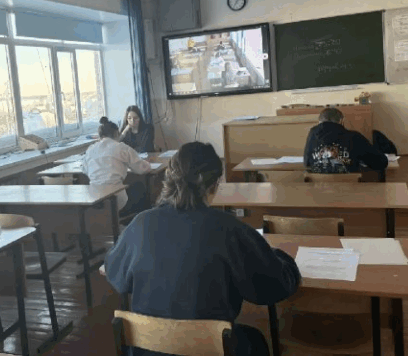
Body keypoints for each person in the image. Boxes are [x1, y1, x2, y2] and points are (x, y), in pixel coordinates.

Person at [104, 142, 301, 356]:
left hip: (147, 349)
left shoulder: (140, 223)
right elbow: (271, 287)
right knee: (255, 340)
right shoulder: (230, 229)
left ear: (170, 178)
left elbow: (114, 272)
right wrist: (283, 259)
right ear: (215, 185)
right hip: (211, 348)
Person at [83, 117, 152, 213]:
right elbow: (142, 169)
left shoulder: (90, 150)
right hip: (116, 201)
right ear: (116, 134)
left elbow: (85, 170)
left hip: (95, 201)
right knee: (139, 186)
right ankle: (139, 219)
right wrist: (147, 163)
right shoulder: (121, 148)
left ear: (100, 136)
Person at [304, 107, 388, 174]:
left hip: (319, 189)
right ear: (341, 121)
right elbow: (381, 162)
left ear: (319, 122)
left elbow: (306, 163)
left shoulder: (312, 135)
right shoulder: (354, 137)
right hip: (349, 189)